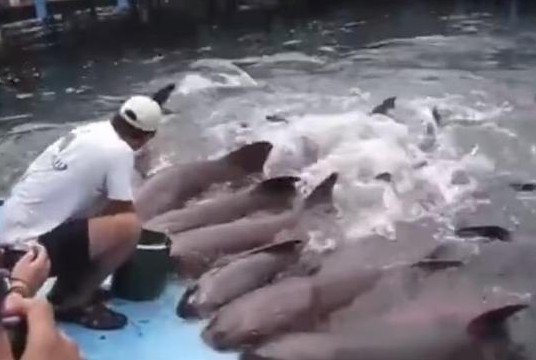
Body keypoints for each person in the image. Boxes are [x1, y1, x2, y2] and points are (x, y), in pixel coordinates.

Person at [0, 95, 164, 330]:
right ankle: (73, 301)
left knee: (98, 215)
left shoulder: (89, 130)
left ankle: (69, 287)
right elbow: (122, 209)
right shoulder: (120, 151)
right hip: (29, 256)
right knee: (129, 227)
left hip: (8, 230)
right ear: (147, 137)